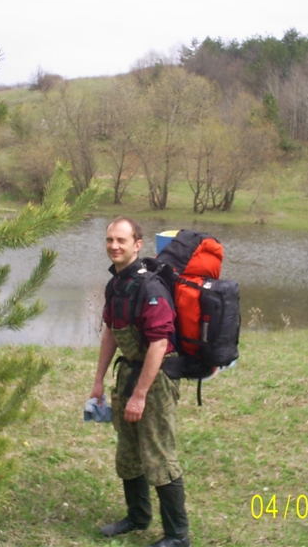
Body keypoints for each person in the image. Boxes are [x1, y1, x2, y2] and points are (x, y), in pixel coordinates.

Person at [90, 216, 190, 547]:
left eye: (121, 240)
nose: (114, 246)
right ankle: (137, 517)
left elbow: (159, 344)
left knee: (159, 455)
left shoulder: (150, 287)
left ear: (137, 244)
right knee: (128, 452)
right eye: (110, 240)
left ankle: (178, 535)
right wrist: (98, 381)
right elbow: (111, 333)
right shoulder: (116, 284)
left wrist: (140, 395)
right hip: (128, 374)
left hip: (156, 379)